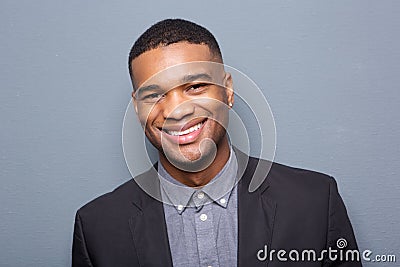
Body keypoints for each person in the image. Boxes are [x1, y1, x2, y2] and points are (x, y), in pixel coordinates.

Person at [72, 18, 362, 267]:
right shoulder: (96, 228)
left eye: (195, 86)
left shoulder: (315, 202)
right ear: (137, 108)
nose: (177, 110)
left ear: (228, 91)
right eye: (154, 95)